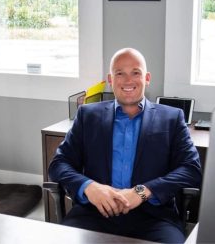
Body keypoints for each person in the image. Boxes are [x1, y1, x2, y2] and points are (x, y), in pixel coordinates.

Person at [48, 48, 202, 243]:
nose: (128, 80)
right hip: (93, 214)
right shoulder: (88, 115)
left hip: (154, 218)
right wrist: (90, 187)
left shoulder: (171, 118)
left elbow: (191, 170)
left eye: (135, 72)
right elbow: (58, 164)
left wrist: (143, 192)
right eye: (120, 73)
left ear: (147, 78)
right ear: (110, 79)